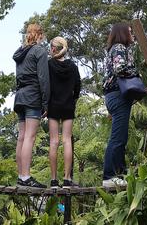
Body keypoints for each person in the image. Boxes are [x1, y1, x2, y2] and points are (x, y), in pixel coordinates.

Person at [102, 23, 138, 188]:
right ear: (123, 33)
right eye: (130, 32)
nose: (132, 34)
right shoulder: (118, 47)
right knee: (117, 137)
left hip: (115, 95)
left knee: (121, 137)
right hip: (117, 94)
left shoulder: (118, 48)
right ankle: (110, 175)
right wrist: (136, 74)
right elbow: (119, 68)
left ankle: (119, 173)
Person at [13, 23, 49, 188]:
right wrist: (46, 102)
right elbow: (43, 78)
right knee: (29, 137)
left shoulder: (21, 53)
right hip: (33, 96)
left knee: (21, 137)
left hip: (19, 96)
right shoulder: (39, 51)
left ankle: (21, 175)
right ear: (40, 35)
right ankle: (26, 177)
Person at [47, 37, 81, 188]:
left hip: (53, 105)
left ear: (54, 49)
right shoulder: (73, 66)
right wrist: (72, 98)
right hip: (68, 105)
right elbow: (78, 85)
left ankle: (54, 180)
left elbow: (45, 84)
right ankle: (67, 179)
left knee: (54, 141)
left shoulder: (49, 65)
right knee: (67, 140)